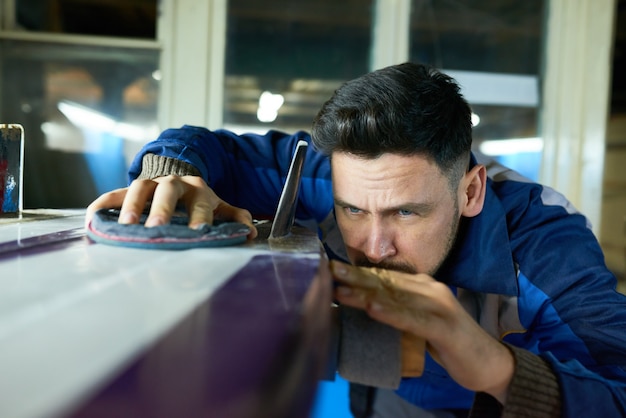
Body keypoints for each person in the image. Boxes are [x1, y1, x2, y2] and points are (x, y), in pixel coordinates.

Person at [86, 62, 626, 417]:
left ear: (471, 191)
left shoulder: (546, 242)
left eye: (407, 212)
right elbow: (205, 146)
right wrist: (166, 174)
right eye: (352, 210)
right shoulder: (332, 173)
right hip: (383, 397)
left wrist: (496, 367)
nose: (375, 246)